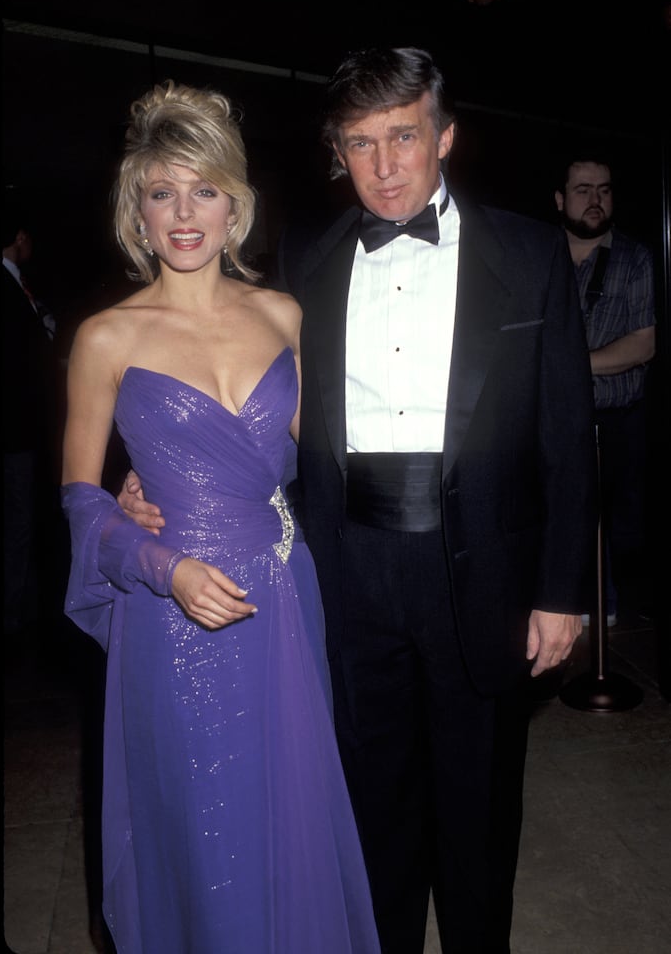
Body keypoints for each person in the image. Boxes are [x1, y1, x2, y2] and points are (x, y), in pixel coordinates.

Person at [119, 49, 599, 954]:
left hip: (483, 566)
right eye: (360, 143)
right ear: (338, 152)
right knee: (370, 803)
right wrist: (158, 474)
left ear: (444, 137)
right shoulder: (310, 252)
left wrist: (563, 590)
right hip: (344, 567)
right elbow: (246, 392)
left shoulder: (530, 252)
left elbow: (569, 438)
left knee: (480, 805)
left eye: (403, 137)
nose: (383, 165)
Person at [60, 79, 380, 954]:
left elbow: (330, 457)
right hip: (173, 613)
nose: (184, 213)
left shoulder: (285, 315)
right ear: (137, 212)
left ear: (236, 206)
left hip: (282, 593)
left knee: (288, 812)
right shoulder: (106, 337)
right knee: (199, 827)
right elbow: (81, 500)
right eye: (161, 192)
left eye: (204, 190)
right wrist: (162, 565)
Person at [554, 152, 656, 628]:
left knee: (618, 524)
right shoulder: (540, 254)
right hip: (554, 418)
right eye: (583, 190)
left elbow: (644, 343)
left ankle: (607, 611)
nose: (595, 200)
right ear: (560, 199)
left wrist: (569, 367)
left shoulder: (636, 259)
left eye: (604, 190)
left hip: (616, 421)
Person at [3, 198, 60, 645]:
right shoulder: (8, 289)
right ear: (19, 238)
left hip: (20, 426)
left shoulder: (20, 285)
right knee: (17, 521)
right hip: (13, 428)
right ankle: (13, 614)